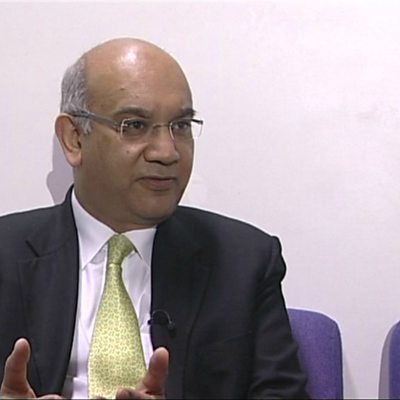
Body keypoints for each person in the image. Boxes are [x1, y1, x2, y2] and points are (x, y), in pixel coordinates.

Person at [0, 38, 309, 399]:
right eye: (134, 125)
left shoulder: (245, 262)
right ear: (74, 139)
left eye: (181, 125)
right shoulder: (5, 256)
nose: (167, 151)